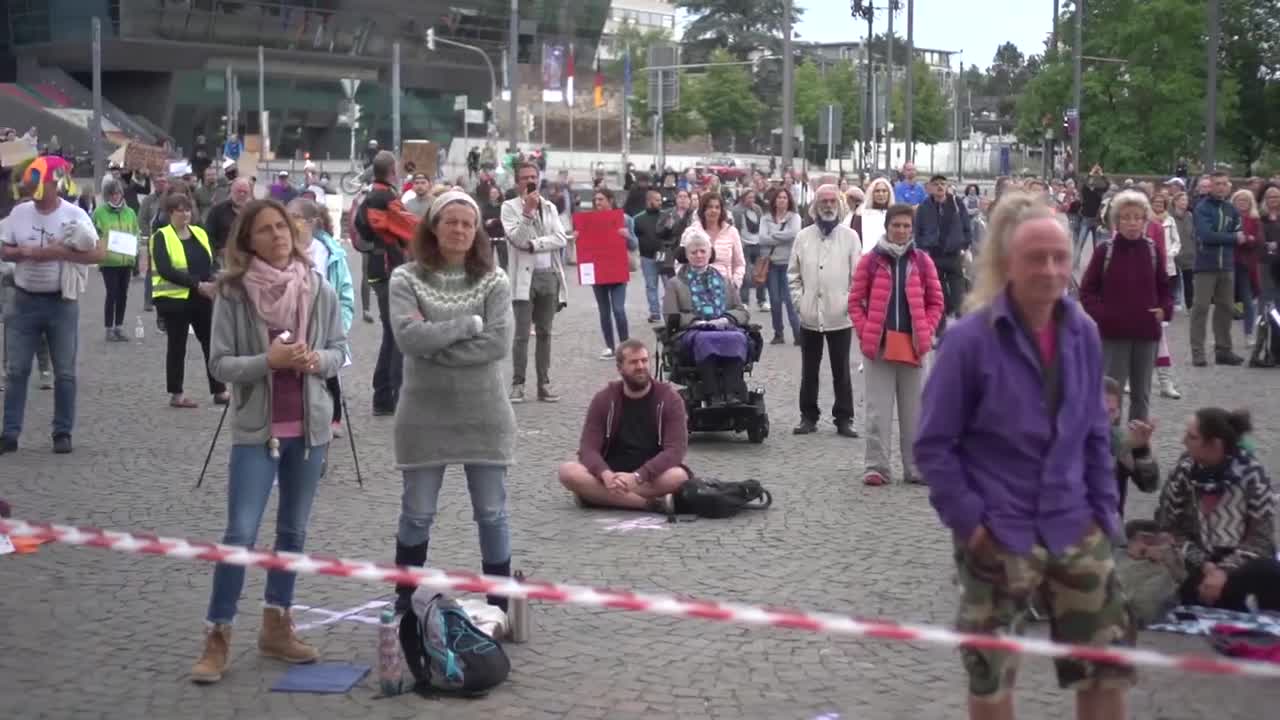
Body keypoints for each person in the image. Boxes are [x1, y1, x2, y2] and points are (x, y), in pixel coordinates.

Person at [915, 191, 1135, 720]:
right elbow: (933, 445)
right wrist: (972, 523)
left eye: (1061, 257)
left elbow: (1095, 435)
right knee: (992, 681)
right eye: (1037, 258)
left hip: (1076, 525)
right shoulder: (969, 340)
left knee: (1106, 672)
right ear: (1007, 262)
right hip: (999, 532)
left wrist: (1105, 516)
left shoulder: (1083, 332)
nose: (1052, 269)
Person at [190, 199, 346, 684]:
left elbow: (340, 351)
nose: (278, 236)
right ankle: (218, 635)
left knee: (293, 533)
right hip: (257, 431)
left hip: (310, 427)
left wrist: (314, 360)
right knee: (240, 534)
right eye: (266, 230)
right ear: (247, 241)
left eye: (283, 227)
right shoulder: (234, 295)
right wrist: (269, 361)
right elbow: (220, 365)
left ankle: (276, 623)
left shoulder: (317, 288)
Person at [387, 190, 515, 614]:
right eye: (451, 221)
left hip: (485, 415)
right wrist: (468, 325)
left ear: (477, 231)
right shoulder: (405, 278)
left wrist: (435, 344)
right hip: (424, 416)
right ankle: (406, 600)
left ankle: (499, 602)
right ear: (433, 226)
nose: (459, 229)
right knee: (417, 514)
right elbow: (407, 338)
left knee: (492, 514)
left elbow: (497, 344)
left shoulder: (495, 280)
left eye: (468, 223)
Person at [0, 156, 104, 455]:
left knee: (65, 372)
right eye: (29, 184)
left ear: (52, 183)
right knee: (17, 370)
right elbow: (4, 249)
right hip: (23, 300)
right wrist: (23, 252)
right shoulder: (19, 214)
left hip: (61, 302)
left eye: (38, 184)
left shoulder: (74, 214)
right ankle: (9, 433)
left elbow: (97, 253)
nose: (33, 189)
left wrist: (59, 253)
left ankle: (62, 432)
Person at [849, 204, 943, 486]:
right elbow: (854, 302)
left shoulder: (923, 262)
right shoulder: (870, 261)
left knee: (914, 411)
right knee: (878, 410)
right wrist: (866, 331)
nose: (901, 231)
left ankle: (915, 467)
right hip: (879, 346)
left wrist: (925, 329)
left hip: (914, 347)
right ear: (887, 227)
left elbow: (936, 302)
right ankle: (877, 466)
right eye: (896, 225)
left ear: (912, 230)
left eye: (906, 226)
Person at [1156, 408, 1278, 612]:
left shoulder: (1252, 475)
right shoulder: (1183, 473)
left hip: (1241, 565)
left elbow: (1261, 540)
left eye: (1192, 437)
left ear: (1215, 444)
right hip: (1195, 564)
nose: (1183, 441)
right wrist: (1206, 565)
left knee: (1270, 572)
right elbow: (1170, 529)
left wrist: (1224, 571)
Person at [558, 339, 689, 513]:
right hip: (611, 472)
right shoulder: (604, 398)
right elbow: (588, 448)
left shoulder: (670, 399)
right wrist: (605, 474)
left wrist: (637, 476)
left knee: (678, 476)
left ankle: (595, 495)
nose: (641, 366)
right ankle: (648, 504)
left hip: (650, 475)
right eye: (634, 362)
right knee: (567, 471)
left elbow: (675, 451)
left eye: (644, 360)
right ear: (620, 368)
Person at [1079, 190, 1171, 422]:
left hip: (1146, 332)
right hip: (1114, 334)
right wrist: (1103, 315)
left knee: (1142, 395)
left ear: (1145, 220)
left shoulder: (1152, 251)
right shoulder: (1105, 252)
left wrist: (1164, 309)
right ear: (1116, 221)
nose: (1132, 223)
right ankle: (1109, 445)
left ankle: (1137, 447)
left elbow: (1165, 288)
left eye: (1138, 217)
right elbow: (1087, 290)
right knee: (1112, 393)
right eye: (1126, 217)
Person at [788, 185, 861, 438]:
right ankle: (808, 416)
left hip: (839, 315)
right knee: (809, 369)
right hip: (810, 316)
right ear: (815, 205)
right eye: (823, 201)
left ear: (838, 204)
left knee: (841, 369)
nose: (828, 205)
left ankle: (844, 418)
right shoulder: (803, 237)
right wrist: (801, 302)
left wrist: (848, 302)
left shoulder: (850, 237)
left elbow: (858, 277)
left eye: (832, 201)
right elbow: (793, 276)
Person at [150, 191, 228, 409]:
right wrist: (197, 284)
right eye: (179, 210)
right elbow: (166, 270)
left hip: (202, 297)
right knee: (177, 346)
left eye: (187, 209)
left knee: (211, 343)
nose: (184, 214)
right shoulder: (161, 236)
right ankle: (176, 393)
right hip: (174, 299)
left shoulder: (199, 233)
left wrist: (213, 281)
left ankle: (219, 389)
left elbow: (210, 261)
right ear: (169, 213)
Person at [355, 151, 419, 415]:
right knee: (397, 335)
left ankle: (383, 396)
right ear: (392, 171)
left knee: (391, 335)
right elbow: (408, 227)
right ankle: (392, 395)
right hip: (389, 270)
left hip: (377, 270)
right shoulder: (385, 198)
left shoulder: (370, 196)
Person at [287, 198, 355, 436]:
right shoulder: (281, 250)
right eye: (289, 216)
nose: (291, 222)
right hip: (290, 323)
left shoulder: (328, 252)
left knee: (329, 373)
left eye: (296, 217)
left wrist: (341, 326)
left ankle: (333, 417)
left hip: (324, 324)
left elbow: (345, 293)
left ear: (311, 222)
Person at [501, 161, 568, 404]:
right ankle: (518, 383)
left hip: (548, 274)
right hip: (523, 277)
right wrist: (528, 213)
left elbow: (561, 238)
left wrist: (536, 244)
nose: (529, 181)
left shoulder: (549, 207)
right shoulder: (509, 208)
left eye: (533, 176)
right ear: (517, 181)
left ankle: (544, 383)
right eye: (524, 177)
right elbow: (517, 238)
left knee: (545, 332)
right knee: (521, 334)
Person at [663, 234, 753, 405]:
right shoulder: (675, 284)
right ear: (686, 255)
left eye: (702, 251)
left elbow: (741, 311)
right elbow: (670, 316)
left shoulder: (725, 281)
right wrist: (696, 322)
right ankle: (713, 394)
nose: (698, 255)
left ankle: (732, 392)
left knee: (738, 338)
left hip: (724, 328)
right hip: (692, 332)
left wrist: (726, 319)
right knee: (705, 339)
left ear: (710, 253)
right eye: (694, 252)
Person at [1190, 171, 1243, 367]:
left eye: (1224, 183)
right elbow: (1206, 235)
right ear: (1210, 186)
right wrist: (1232, 238)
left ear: (1229, 186)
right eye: (1217, 184)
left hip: (1227, 265)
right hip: (1206, 265)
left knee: (1226, 308)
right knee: (1201, 308)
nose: (1221, 187)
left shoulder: (1231, 209)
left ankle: (1224, 350)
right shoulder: (1202, 208)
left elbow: (1239, 231)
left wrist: (1232, 237)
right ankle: (1198, 352)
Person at [914, 175, 972, 336]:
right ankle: (939, 329)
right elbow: (917, 231)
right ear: (930, 187)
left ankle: (964, 329)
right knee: (937, 294)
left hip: (954, 255)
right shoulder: (924, 207)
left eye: (943, 184)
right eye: (936, 184)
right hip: (933, 255)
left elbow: (967, 226)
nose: (940, 187)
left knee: (959, 294)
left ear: (947, 186)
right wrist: (922, 250)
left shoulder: (956, 203)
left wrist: (964, 246)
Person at [587, 188, 637, 359]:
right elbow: (585, 247)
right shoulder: (589, 220)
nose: (597, 203)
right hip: (598, 270)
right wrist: (579, 237)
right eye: (596, 200)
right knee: (604, 311)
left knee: (618, 309)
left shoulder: (625, 219)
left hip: (617, 270)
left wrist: (627, 236)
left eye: (600, 199)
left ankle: (624, 345)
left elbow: (634, 245)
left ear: (610, 200)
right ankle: (609, 346)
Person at [92, 178, 142, 342]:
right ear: (107, 196)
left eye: (118, 193)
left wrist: (135, 250)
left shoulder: (130, 213)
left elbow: (136, 233)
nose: (115, 196)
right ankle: (108, 328)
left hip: (126, 261)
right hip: (108, 260)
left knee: (123, 295)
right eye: (112, 194)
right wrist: (100, 245)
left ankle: (119, 326)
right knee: (111, 293)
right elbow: (93, 233)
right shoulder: (99, 212)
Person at [1101, 377, 1158, 518]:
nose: (1103, 418)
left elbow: (1149, 484)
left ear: (1118, 413)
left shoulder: (1117, 439)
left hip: (1109, 526)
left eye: (1110, 411)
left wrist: (1141, 449)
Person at [681, 193, 745, 294]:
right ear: (703, 210)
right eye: (710, 207)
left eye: (717, 207)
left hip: (725, 289)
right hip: (696, 288)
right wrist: (685, 284)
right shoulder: (691, 232)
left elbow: (740, 263)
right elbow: (680, 262)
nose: (713, 210)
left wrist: (735, 283)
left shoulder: (732, 232)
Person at [1231, 189, 1262, 346]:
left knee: (1248, 301)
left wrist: (1248, 239)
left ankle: (1249, 334)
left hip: (1245, 266)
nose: (1242, 203)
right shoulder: (1229, 218)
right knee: (1224, 302)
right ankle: (1222, 335)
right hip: (1228, 263)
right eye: (1239, 200)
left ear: (1251, 203)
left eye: (1245, 200)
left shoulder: (1255, 220)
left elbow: (1259, 241)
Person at [634, 188, 668, 323]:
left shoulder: (666, 216)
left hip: (665, 257)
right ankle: (655, 313)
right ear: (649, 201)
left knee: (669, 286)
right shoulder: (637, 219)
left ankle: (670, 312)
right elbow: (634, 237)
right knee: (651, 286)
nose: (660, 202)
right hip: (647, 257)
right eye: (657, 200)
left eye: (661, 200)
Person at [733, 189, 769, 314]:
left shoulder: (757, 209)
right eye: (749, 197)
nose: (751, 200)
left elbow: (762, 225)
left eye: (753, 198)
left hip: (757, 244)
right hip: (744, 245)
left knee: (760, 274)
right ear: (743, 198)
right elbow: (735, 228)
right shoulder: (737, 210)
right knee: (746, 275)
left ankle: (762, 300)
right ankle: (744, 301)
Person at [481, 184, 508, 271]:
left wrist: (493, 221)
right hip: (489, 236)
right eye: (492, 192)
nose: (493, 194)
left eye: (495, 192)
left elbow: (505, 219)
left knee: (503, 261)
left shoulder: (503, 206)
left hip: (501, 236)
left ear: (499, 194)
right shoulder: (485, 206)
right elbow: (481, 219)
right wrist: (485, 223)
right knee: (488, 260)